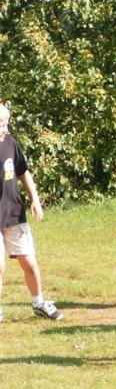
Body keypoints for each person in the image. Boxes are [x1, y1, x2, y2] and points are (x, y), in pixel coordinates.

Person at [0, 104, 63, 323]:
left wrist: (35, 199)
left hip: (13, 213)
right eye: (1, 124)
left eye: (6, 123)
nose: (5, 128)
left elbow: (23, 172)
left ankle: (39, 303)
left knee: (29, 262)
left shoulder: (10, 143)